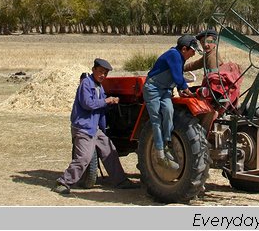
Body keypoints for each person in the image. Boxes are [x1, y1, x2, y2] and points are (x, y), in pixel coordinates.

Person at [52, 57, 140, 194]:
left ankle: (120, 181)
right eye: (100, 72)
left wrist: (112, 103)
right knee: (84, 158)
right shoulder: (86, 84)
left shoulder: (99, 87)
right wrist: (107, 101)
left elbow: (101, 108)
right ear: (93, 70)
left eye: (105, 73)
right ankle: (63, 182)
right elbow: (88, 104)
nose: (103, 75)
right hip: (83, 128)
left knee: (110, 151)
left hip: (94, 128)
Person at [142, 34, 202, 170]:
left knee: (169, 111)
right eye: (193, 51)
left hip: (165, 90)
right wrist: (188, 92)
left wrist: (181, 88)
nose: (193, 54)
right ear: (184, 49)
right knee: (156, 119)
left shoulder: (180, 57)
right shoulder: (174, 55)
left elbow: (176, 78)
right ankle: (160, 153)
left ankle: (167, 143)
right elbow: (177, 76)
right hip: (153, 89)